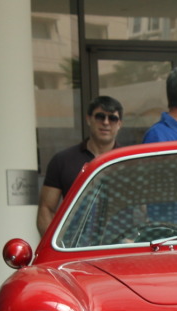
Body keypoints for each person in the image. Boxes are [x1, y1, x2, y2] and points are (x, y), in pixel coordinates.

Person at [36, 96, 124, 236]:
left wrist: (134, 241)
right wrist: (54, 248)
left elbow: (141, 211)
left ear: (119, 124)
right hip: (75, 249)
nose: (106, 123)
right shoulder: (62, 160)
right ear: (88, 119)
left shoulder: (128, 162)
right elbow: (46, 209)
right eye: (100, 117)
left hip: (120, 247)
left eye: (112, 118)